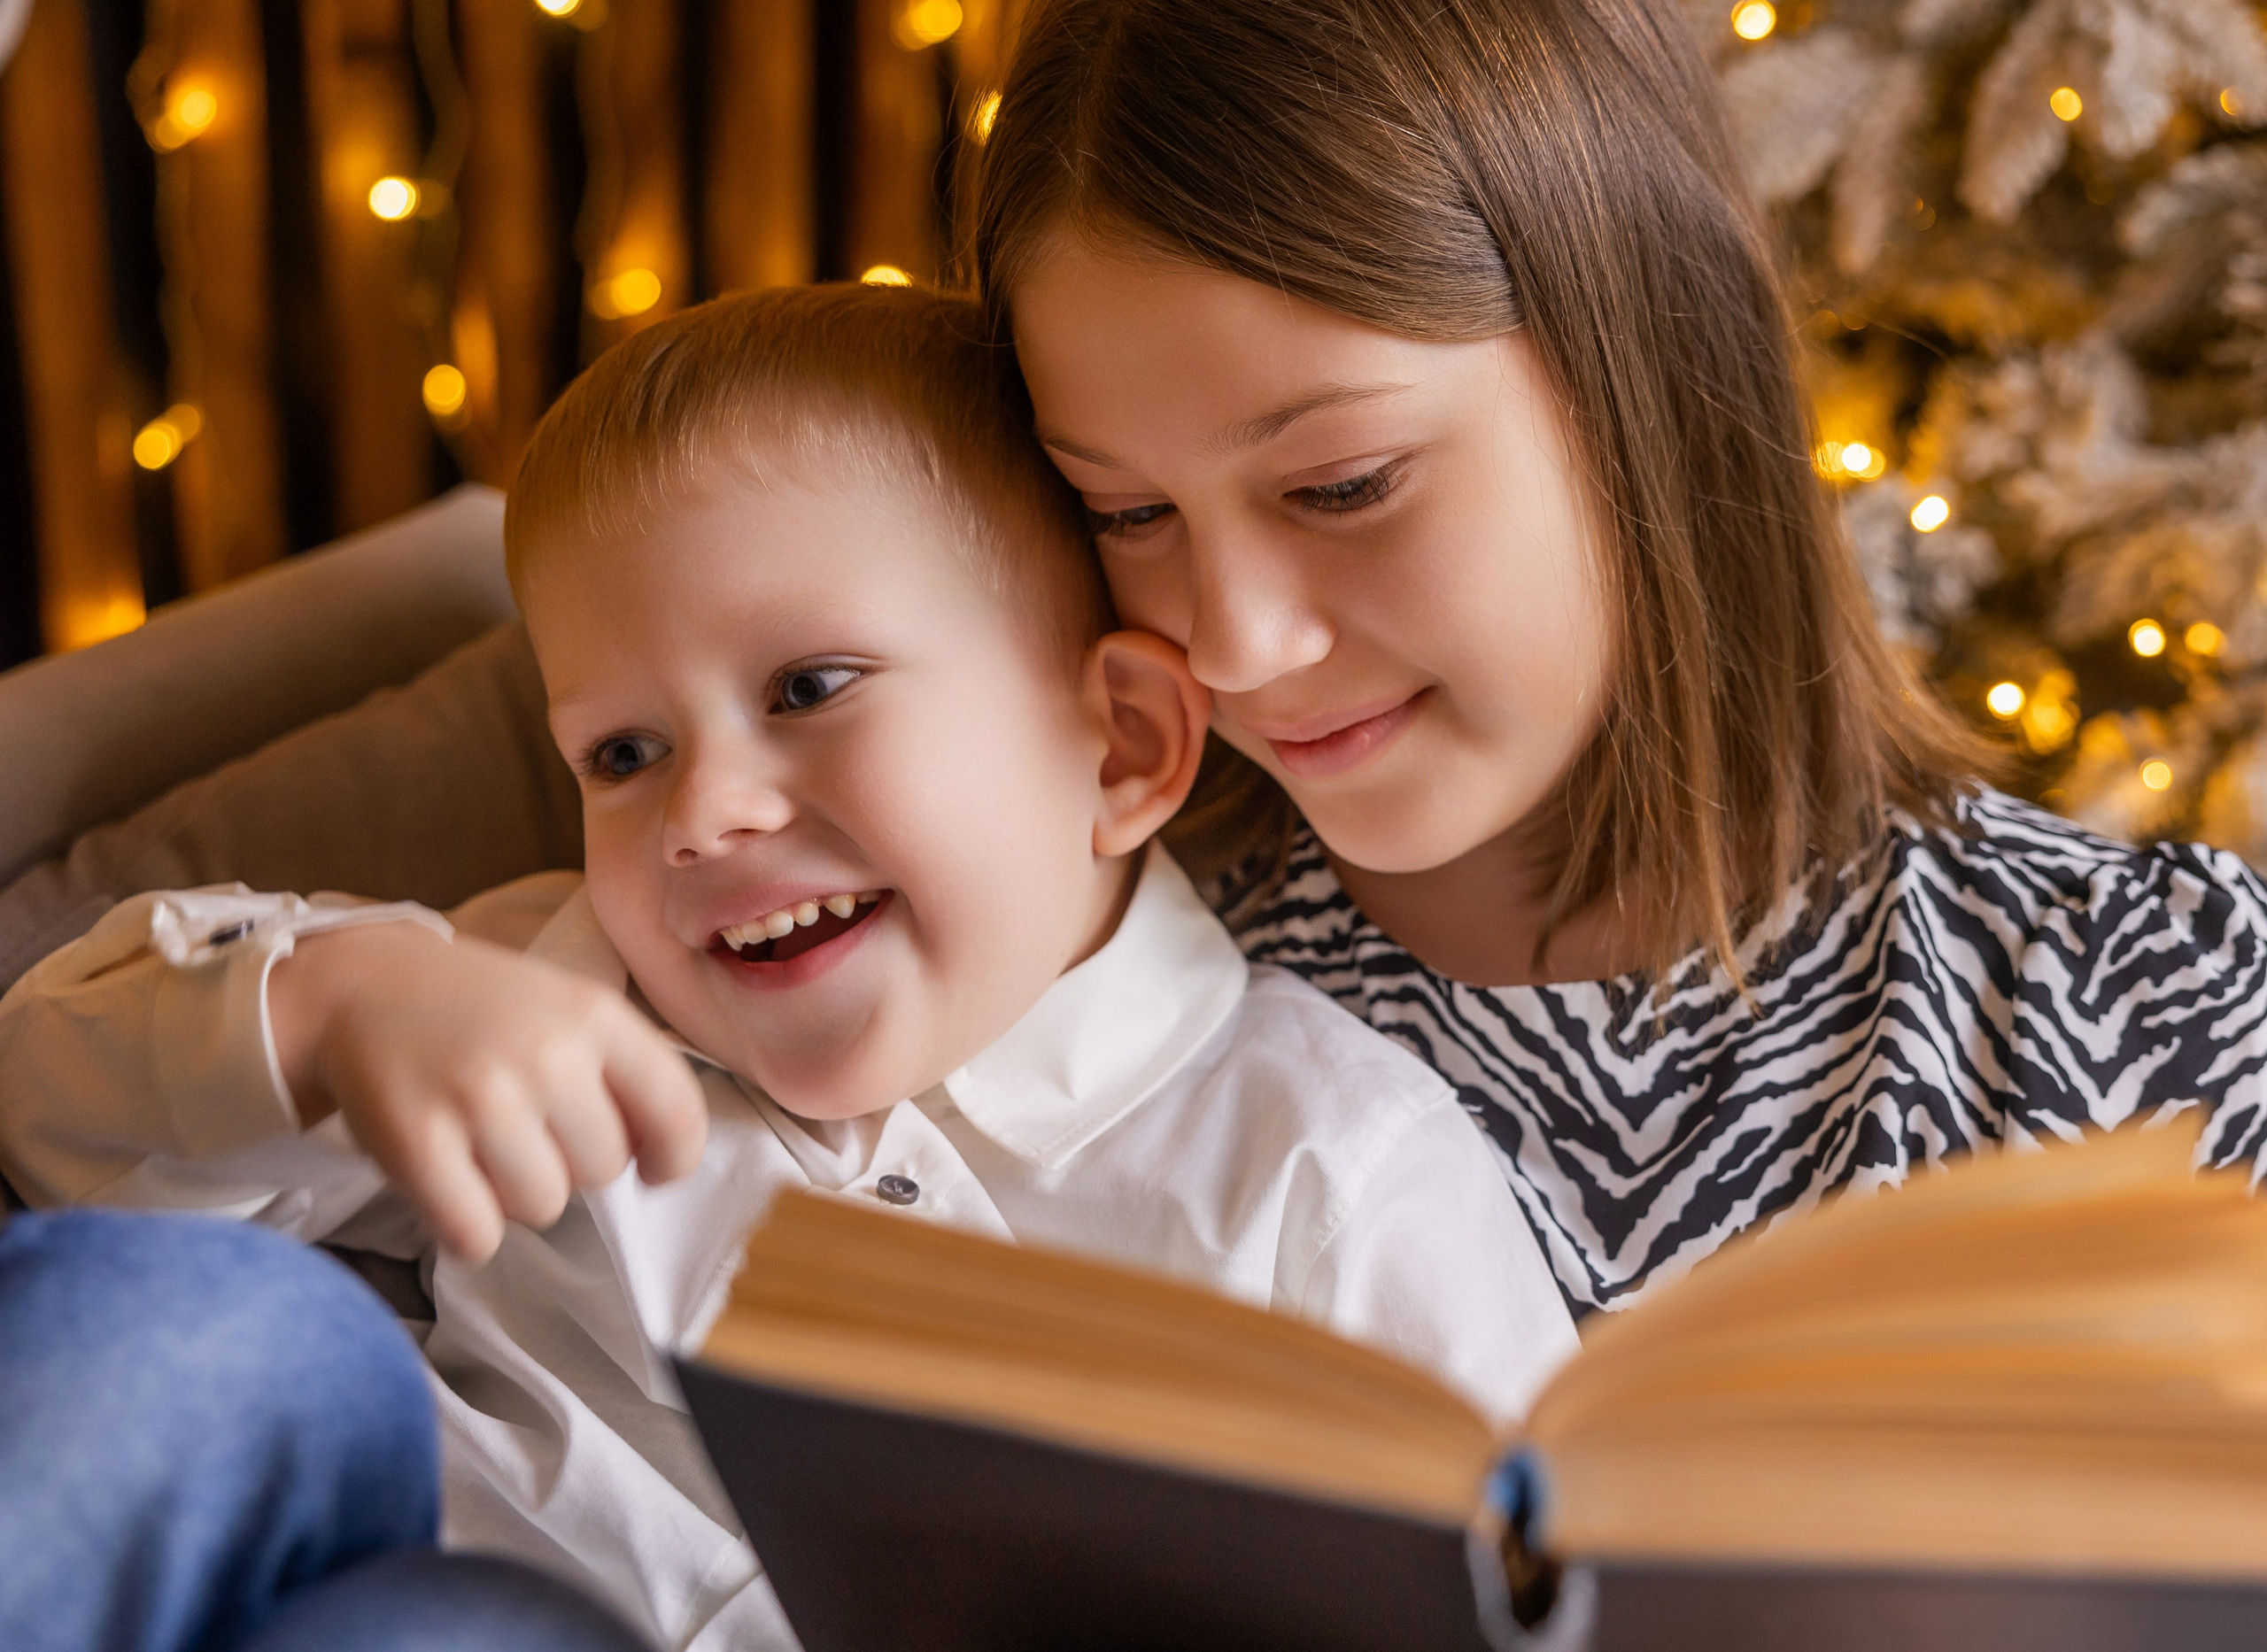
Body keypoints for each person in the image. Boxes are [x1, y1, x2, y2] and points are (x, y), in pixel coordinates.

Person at [0, 284, 1577, 1649]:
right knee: (187, 1331)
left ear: (1124, 739)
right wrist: (329, 1013)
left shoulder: (1323, 1169)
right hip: (387, 1586)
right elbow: (51, 1133)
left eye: (811, 684)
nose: (701, 812)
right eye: (620, 750)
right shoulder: (545, 1001)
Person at [973, 0, 2267, 1317]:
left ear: (1644, 366)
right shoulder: (1048, 1011)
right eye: (1128, 513)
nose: (1236, 644)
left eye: (1344, 485)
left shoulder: (2147, 1007)